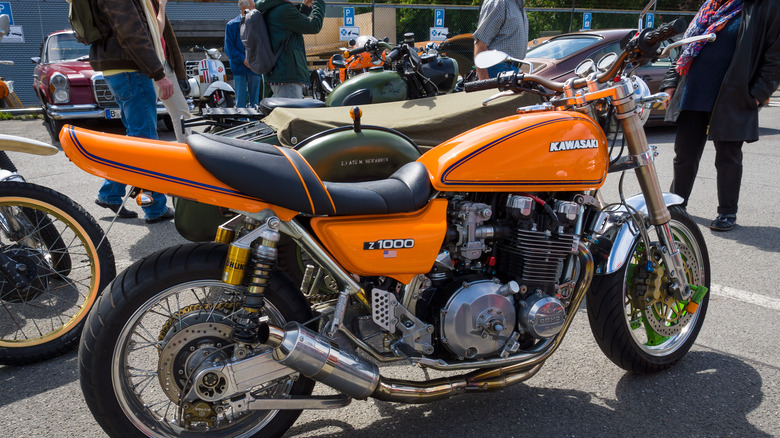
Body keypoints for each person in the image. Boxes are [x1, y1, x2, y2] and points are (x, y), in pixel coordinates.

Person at [661, 0, 780, 232]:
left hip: (732, 95)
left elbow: (775, 55)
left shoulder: (764, 7)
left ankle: (727, 212)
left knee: (728, 157)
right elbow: (686, 48)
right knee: (683, 154)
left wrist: (758, 94)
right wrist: (670, 83)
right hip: (693, 91)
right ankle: (677, 204)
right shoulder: (710, 6)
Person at [87, 0, 175, 223]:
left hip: (119, 70)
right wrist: (158, 73)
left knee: (136, 139)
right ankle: (155, 207)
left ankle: (110, 193)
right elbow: (132, 32)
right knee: (146, 145)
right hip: (131, 71)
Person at [255, 0, 325, 99]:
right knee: (292, 112)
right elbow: (314, 25)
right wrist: (319, 2)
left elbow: (291, 26)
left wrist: (304, 7)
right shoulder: (285, 9)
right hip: (287, 74)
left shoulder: (271, 7)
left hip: (279, 73)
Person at [153, 0, 193, 143]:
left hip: (165, 64)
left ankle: (188, 155)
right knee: (146, 120)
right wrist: (162, 6)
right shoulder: (144, 4)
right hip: (148, 66)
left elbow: (168, 39)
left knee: (182, 113)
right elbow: (156, 32)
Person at [473, 0, 529, 80]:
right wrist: (484, 83)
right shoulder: (498, 2)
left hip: (512, 69)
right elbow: (480, 44)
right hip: (497, 70)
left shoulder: (518, 4)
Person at [226, 0, 263, 108]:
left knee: (253, 102)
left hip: (252, 66)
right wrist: (244, 59)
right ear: (244, 8)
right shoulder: (232, 25)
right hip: (244, 66)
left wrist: (246, 60)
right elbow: (229, 48)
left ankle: (250, 122)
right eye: (252, 6)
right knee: (243, 101)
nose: (254, 8)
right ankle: (245, 122)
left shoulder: (256, 24)